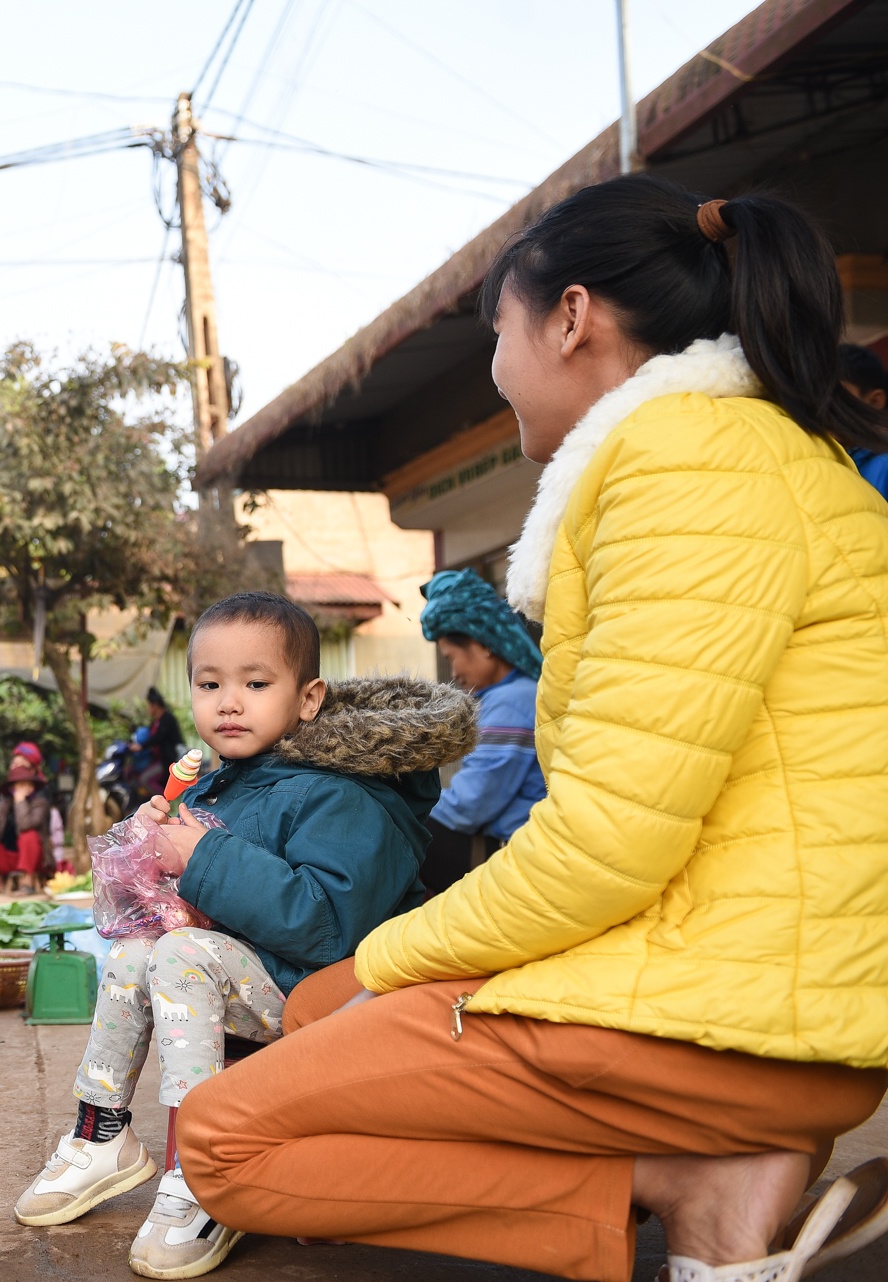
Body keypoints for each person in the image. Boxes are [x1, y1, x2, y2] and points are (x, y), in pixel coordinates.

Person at [177, 176, 888, 1282]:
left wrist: (392, 957)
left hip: (743, 1015)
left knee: (224, 1138)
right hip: (769, 988)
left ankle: (689, 1183)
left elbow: (607, 840)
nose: (497, 368)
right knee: (317, 1004)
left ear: (571, 317)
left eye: (498, 333)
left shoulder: (688, 465)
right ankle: (692, 1180)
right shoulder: (752, 456)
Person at [13, 592, 475, 1280]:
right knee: (141, 947)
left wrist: (202, 858)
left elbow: (325, 928)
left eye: (256, 684)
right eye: (210, 684)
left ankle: (205, 1167)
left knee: (180, 955)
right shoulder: (222, 785)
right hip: (250, 972)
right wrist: (157, 856)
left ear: (309, 697)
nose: (230, 702)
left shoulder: (348, 795)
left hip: (329, 991)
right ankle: (101, 1130)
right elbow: (201, 903)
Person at [416, 567, 546, 892]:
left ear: (483, 644)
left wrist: (408, 815)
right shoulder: (514, 695)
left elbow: (472, 804)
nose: (454, 671)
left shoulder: (513, 700)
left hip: (510, 849)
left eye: (453, 657)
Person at [0, 755, 52, 894]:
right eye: (18, 785)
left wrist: (20, 801)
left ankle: (27, 882)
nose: (21, 788)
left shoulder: (40, 803)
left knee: (29, 835)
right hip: (8, 858)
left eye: (25, 784)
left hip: (34, 859)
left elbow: (25, 824)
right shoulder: (5, 803)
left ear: (32, 787)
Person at [837, 343, 888, 499]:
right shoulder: (827, 460)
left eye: (838, 396)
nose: (824, 408)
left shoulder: (883, 466)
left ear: (875, 401)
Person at [140, 686, 185, 795]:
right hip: (158, 760)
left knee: (145, 779)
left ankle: (164, 801)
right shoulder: (156, 721)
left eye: (149, 705)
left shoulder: (167, 719)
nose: (148, 709)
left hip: (168, 762)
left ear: (155, 705)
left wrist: (141, 746)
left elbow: (159, 737)